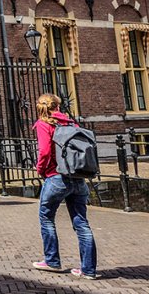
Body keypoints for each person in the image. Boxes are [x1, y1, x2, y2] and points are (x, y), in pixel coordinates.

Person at [31, 93, 98, 279]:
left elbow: (44, 151)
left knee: (46, 218)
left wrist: (40, 169)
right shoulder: (70, 123)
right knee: (82, 224)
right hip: (77, 178)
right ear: (58, 106)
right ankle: (88, 270)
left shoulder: (44, 125)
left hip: (56, 177)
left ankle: (52, 261)